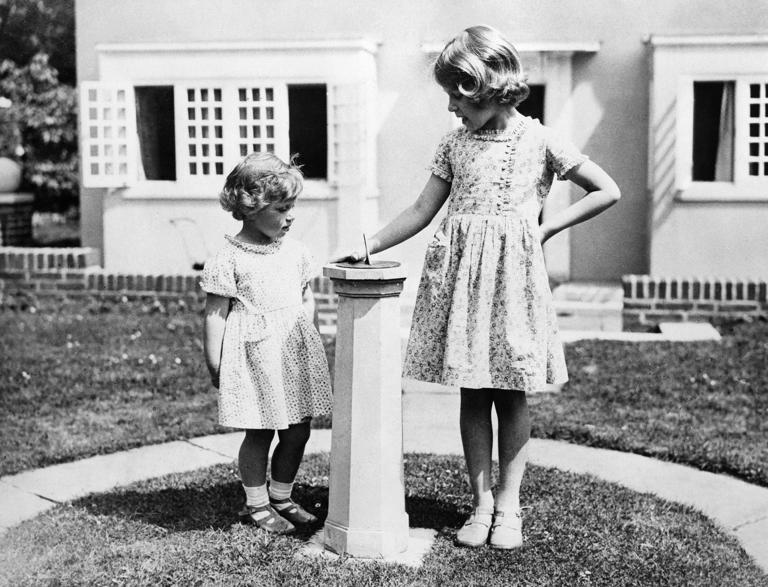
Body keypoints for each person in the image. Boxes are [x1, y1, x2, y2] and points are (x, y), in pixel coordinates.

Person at [334, 25, 620, 549]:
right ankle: (481, 504)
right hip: (463, 280)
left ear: (486, 90)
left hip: (513, 282)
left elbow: (607, 190)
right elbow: (422, 209)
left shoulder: (541, 140)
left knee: (510, 393)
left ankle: (509, 507)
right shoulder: (453, 144)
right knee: (473, 390)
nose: (451, 108)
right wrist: (369, 245)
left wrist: (545, 228)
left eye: (456, 97)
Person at [201, 152, 333, 535]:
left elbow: (306, 298)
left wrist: (312, 341)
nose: (290, 217)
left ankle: (282, 495)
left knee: (298, 430)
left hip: (293, 354)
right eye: (281, 209)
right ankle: (257, 503)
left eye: (292, 207)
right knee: (259, 431)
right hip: (254, 357)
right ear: (250, 207)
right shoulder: (229, 259)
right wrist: (215, 363)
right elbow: (215, 315)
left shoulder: (296, 252)